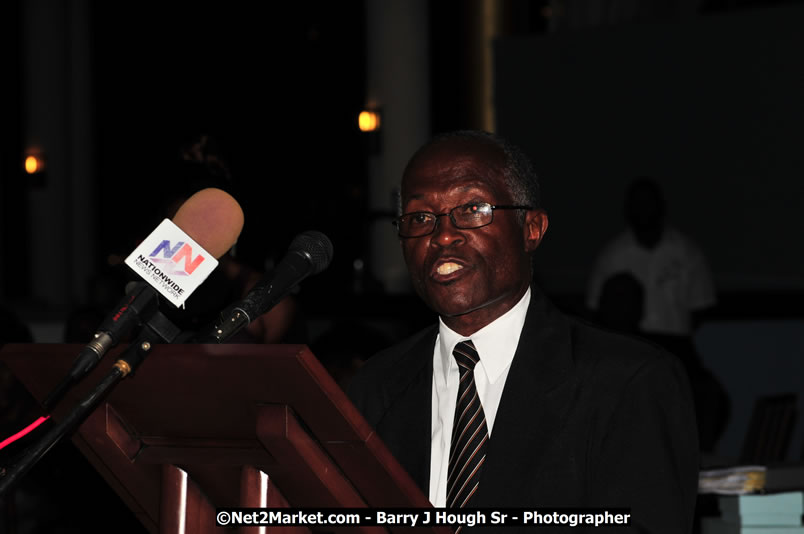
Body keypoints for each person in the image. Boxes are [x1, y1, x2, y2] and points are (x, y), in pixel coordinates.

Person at [348, 131, 699, 533]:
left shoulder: (627, 384)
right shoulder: (375, 388)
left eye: (473, 208)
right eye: (420, 218)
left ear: (531, 228)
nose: (442, 235)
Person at [586, 177, 716, 336]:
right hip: (629, 348)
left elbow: (701, 305)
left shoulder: (687, 252)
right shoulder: (612, 255)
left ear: (661, 205)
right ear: (628, 209)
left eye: (648, 202)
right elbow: (595, 308)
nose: (643, 208)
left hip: (676, 345)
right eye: (637, 203)